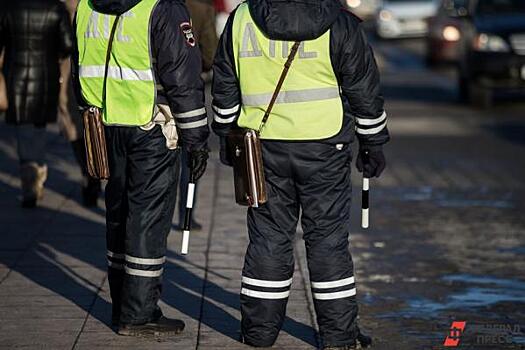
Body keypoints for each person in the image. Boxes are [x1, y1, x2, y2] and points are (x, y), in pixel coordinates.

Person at [212, 0, 389, 349]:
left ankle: (259, 334)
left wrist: (226, 133)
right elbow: (362, 90)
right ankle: (339, 338)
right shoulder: (340, 22)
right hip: (324, 148)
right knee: (327, 241)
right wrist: (373, 142)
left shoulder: (242, 18)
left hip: (262, 148)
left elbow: (225, 85)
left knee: (268, 238)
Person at [72, 0, 209, 337]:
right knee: (147, 220)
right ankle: (139, 313)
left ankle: (123, 304)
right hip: (151, 126)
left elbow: (80, 66)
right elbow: (182, 76)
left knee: (119, 215)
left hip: (106, 124)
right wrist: (195, 139)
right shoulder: (162, 8)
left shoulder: (88, 7)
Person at [0, 0, 73, 208]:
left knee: (23, 127)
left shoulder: (8, 6)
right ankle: (38, 167)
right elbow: (67, 44)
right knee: (39, 127)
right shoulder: (55, 7)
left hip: (15, 75)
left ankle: (29, 173)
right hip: (46, 75)